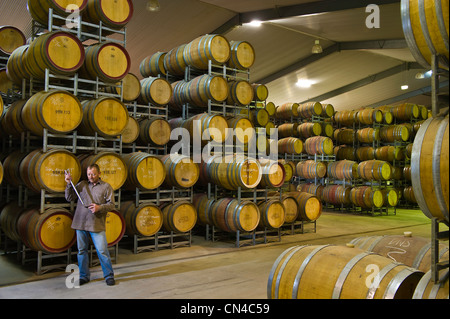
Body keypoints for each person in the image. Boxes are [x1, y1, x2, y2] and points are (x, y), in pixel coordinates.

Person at [65, 164, 116, 286]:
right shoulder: (82, 185)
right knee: (82, 251)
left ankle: (109, 276)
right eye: (89, 174)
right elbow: (69, 197)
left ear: (99, 173)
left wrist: (100, 207)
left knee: (102, 251)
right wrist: (68, 183)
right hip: (81, 223)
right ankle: (84, 276)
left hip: (96, 224)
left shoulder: (106, 187)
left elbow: (112, 205)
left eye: (93, 174)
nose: (91, 177)